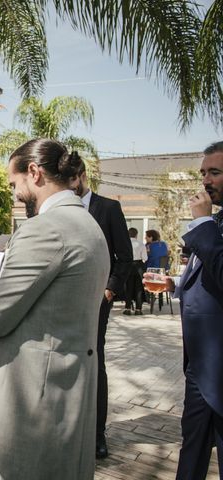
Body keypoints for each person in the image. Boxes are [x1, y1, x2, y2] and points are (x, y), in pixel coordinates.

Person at [0, 139, 110, 479]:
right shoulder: (89, 225)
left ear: (34, 173)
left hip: (36, 406)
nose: (14, 195)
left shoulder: (44, 229)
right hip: (71, 395)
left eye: (14, 185)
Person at [152, 141, 223, 480]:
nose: (206, 181)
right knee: (191, 447)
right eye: (203, 173)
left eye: (215, 172)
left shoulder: (209, 223)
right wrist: (174, 285)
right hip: (200, 367)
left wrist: (204, 223)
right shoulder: (214, 223)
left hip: (220, 364)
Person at [71, 160, 132, 459]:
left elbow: (125, 257)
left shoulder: (108, 208)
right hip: (65, 300)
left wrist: (109, 290)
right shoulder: (58, 209)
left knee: (95, 362)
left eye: (72, 181)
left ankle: (97, 433)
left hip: (97, 301)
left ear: (82, 176)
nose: (68, 188)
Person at [123, 227, 148, 316]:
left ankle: (127, 308)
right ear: (136, 235)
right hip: (138, 266)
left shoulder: (124, 244)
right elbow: (145, 258)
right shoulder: (141, 244)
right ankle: (138, 309)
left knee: (128, 287)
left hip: (128, 265)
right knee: (139, 288)